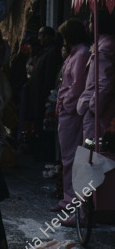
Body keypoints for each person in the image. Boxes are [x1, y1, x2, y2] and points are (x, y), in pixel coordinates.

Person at [52, 19, 89, 223]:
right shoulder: (75, 53)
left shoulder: (81, 53)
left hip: (71, 112)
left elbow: (77, 85)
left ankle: (74, 202)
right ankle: (68, 199)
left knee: (71, 157)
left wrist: (66, 103)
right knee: (67, 157)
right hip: (66, 110)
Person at [77, 8, 115, 143]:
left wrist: (93, 107)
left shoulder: (105, 47)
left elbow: (105, 83)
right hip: (98, 109)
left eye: (91, 22)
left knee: (94, 153)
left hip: (99, 112)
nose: (88, 25)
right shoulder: (103, 44)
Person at [27, 27, 62, 159]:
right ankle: (41, 151)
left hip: (43, 96)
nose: (39, 38)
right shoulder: (45, 52)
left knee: (44, 127)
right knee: (39, 126)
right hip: (37, 95)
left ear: (48, 36)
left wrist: (47, 96)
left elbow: (48, 76)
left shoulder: (52, 52)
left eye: (41, 35)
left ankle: (45, 153)